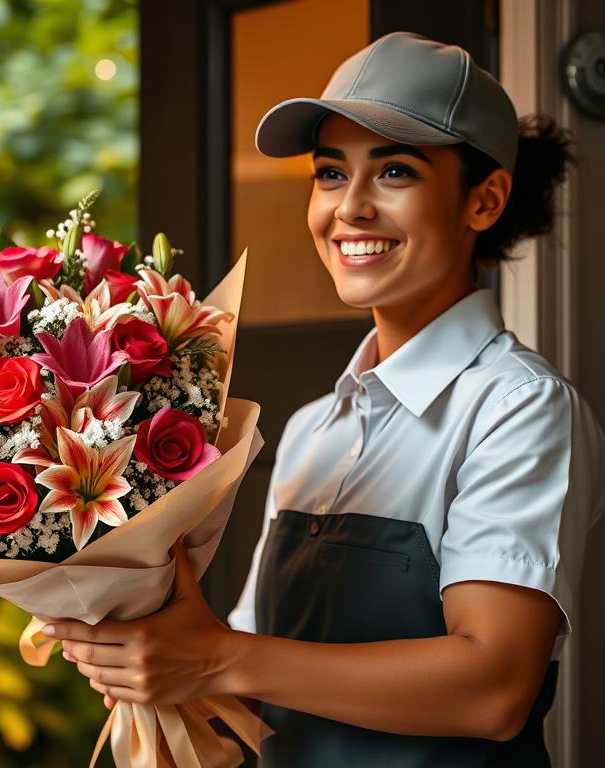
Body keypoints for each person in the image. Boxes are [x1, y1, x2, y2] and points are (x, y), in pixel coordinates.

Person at [39, 32, 605, 765]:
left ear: (485, 200)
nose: (351, 208)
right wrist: (142, 647)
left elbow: (494, 689)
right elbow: (249, 683)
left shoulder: (518, 409)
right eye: (331, 173)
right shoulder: (312, 429)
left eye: (394, 171)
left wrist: (214, 659)